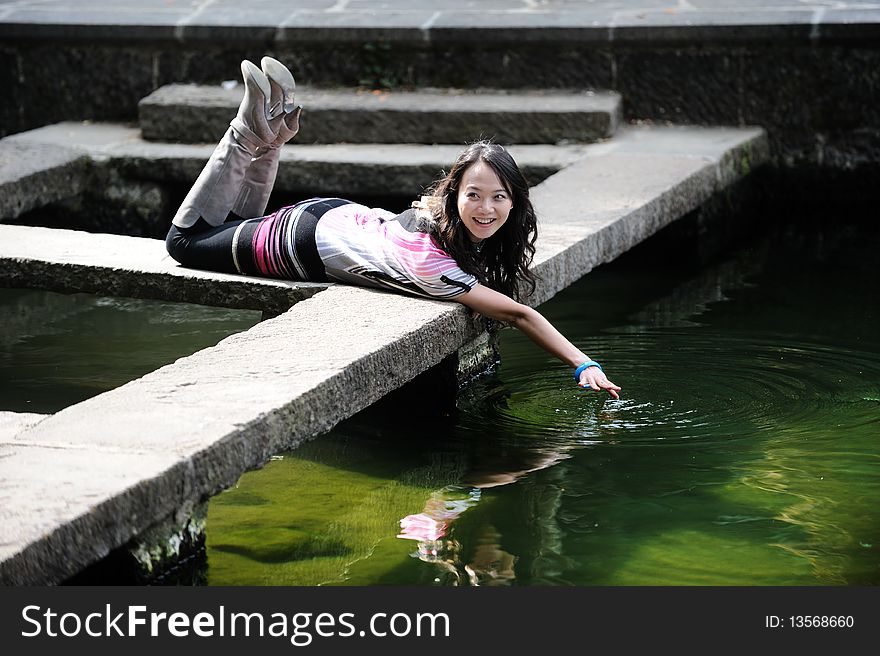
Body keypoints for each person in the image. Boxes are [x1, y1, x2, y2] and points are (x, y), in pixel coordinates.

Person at [165, 57, 621, 399]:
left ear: (515, 201)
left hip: (333, 221)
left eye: (499, 197)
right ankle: (247, 133)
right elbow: (519, 314)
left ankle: (274, 131)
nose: (486, 208)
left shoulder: (437, 214)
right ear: (455, 195)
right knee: (184, 241)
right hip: (298, 242)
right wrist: (583, 364)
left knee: (230, 224)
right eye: (474, 196)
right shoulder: (434, 265)